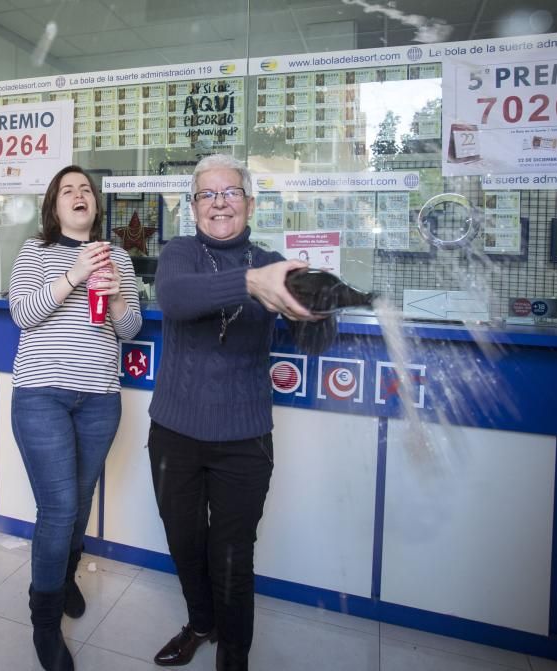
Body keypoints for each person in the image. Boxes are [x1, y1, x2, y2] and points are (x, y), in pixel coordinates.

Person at [148, 154, 335, 671]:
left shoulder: (274, 261)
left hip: (244, 439)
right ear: (193, 207)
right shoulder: (179, 254)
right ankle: (200, 622)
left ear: (250, 202)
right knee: (184, 541)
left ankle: (234, 653)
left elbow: (312, 338)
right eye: (207, 195)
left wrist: (321, 307)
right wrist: (253, 284)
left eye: (230, 192)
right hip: (175, 435)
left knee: (232, 556)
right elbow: (176, 299)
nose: (219, 203)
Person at [9, 165, 142, 671]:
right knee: (59, 508)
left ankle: (63, 578)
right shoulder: (35, 251)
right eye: (68, 190)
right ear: (54, 206)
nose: (78, 194)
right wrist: (74, 275)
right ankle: (44, 624)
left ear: (95, 204)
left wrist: (109, 299)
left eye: (85, 188)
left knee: (79, 501)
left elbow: (129, 328)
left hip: (100, 399)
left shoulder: (119, 257)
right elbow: (22, 314)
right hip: (41, 396)